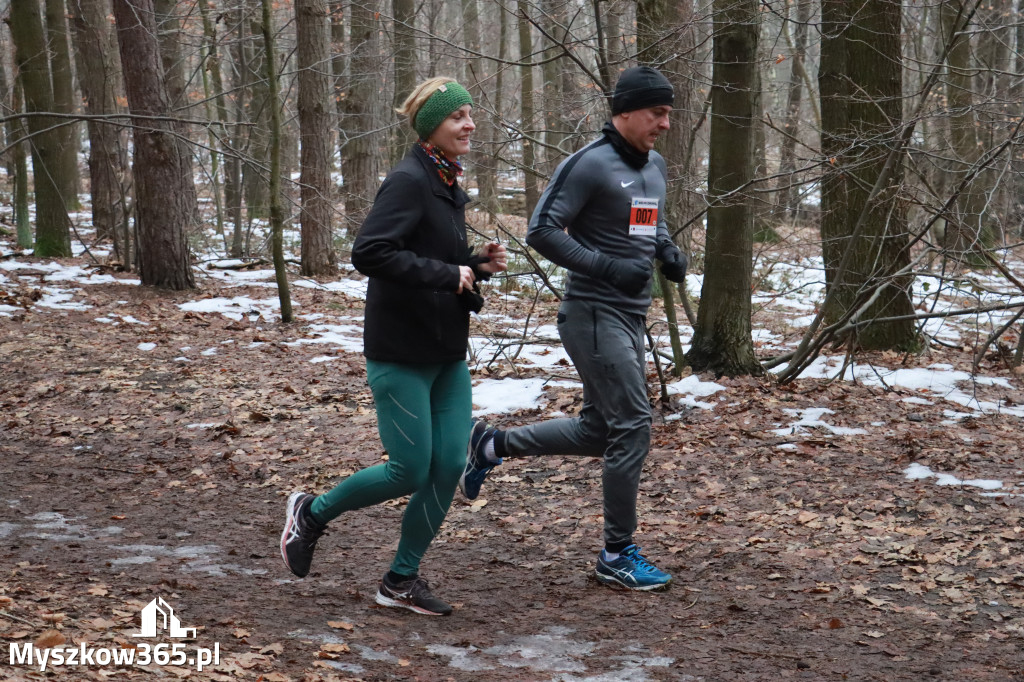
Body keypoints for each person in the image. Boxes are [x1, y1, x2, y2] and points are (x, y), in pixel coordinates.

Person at [281, 77, 507, 616]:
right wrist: (447, 271)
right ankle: (311, 513)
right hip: (400, 353)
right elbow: (372, 252)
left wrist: (474, 264)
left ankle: (401, 580)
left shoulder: (446, 183)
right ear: (432, 126)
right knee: (409, 468)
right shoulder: (408, 180)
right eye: (458, 117)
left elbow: (427, 257)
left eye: (470, 114)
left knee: (450, 465)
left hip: (446, 353)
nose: (469, 124)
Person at [459, 66, 687, 591]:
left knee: (600, 431)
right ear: (626, 110)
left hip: (630, 314)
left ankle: (491, 446)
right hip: (592, 312)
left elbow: (648, 221)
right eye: (658, 113)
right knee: (633, 425)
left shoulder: (654, 167)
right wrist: (607, 267)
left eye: (669, 113)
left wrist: (666, 250)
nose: (665, 124)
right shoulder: (589, 164)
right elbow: (541, 230)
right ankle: (616, 553)